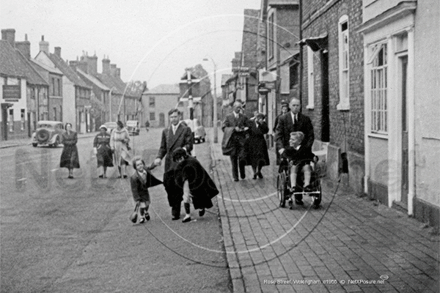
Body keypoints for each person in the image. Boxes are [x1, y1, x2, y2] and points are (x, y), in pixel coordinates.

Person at [154, 109, 193, 220]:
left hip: (181, 162)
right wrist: (158, 157)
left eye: (175, 117)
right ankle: (174, 204)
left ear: (179, 117)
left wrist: (183, 150)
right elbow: (163, 147)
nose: (173, 119)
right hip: (169, 163)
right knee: (168, 185)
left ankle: (176, 210)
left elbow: (190, 144)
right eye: (171, 117)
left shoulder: (186, 130)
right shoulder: (166, 131)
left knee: (179, 185)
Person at [276, 97, 314, 205]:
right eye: (293, 105)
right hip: (288, 150)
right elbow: (278, 135)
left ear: (300, 106)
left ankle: (300, 194)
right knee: (292, 167)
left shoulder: (305, 119)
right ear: (289, 106)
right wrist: (281, 148)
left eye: (297, 105)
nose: (295, 107)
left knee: (304, 167)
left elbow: (310, 136)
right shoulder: (283, 119)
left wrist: (306, 147)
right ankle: (293, 192)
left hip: (302, 150)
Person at [172, 148, 219, 223]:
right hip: (186, 181)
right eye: (177, 160)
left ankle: (201, 207)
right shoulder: (183, 162)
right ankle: (188, 215)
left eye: (179, 159)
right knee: (186, 196)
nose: (178, 161)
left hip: (194, 182)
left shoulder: (192, 161)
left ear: (183, 156)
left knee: (198, 195)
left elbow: (198, 173)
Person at [221, 100, 249, 181]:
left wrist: (243, 128)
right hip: (232, 142)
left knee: (242, 158)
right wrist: (233, 129)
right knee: (233, 159)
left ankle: (242, 173)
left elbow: (248, 127)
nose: (239, 109)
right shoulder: (228, 117)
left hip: (241, 142)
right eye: (237, 107)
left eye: (240, 107)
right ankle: (235, 177)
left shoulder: (243, 117)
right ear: (233, 107)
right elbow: (223, 127)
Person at [130, 157, 162, 223]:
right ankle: (142, 216)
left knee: (147, 204)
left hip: (145, 191)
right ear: (135, 167)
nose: (140, 166)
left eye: (141, 164)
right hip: (139, 193)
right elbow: (134, 189)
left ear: (143, 164)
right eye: (138, 165)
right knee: (142, 206)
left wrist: (155, 163)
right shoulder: (134, 177)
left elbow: (150, 167)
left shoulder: (145, 170)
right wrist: (137, 199)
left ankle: (146, 212)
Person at [246, 113, 269, 179]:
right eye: (257, 118)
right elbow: (247, 129)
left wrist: (261, 124)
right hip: (252, 142)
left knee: (261, 158)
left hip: (260, 143)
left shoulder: (263, 124)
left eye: (260, 118)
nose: (258, 119)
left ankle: (258, 170)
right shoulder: (251, 123)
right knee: (253, 158)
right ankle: (254, 172)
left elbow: (266, 131)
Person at [274, 100, 290, 165]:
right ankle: (280, 164)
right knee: (279, 150)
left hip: (287, 137)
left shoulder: (289, 117)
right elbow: (275, 127)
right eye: (283, 109)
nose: (284, 110)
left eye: (286, 109)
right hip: (281, 137)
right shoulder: (278, 117)